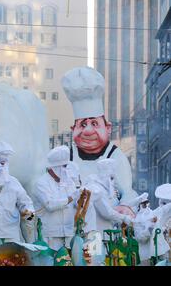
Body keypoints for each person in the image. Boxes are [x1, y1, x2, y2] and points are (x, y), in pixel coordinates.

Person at [61, 67, 138, 203]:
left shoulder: (115, 156)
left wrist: (125, 206)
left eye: (95, 123)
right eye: (82, 125)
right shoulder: (66, 156)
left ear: (108, 128)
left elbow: (128, 192)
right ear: (73, 129)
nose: (88, 131)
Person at [33, 145, 81, 251]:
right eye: (64, 167)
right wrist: (71, 198)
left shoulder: (69, 182)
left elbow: (75, 205)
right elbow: (50, 205)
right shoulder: (41, 183)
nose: (66, 170)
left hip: (68, 233)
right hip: (49, 235)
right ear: (55, 167)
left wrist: (81, 199)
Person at [84, 159, 133, 240]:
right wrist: (124, 218)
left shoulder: (102, 188)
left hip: (104, 234)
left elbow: (114, 207)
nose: (113, 182)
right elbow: (107, 212)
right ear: (107, 176)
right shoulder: (96, 189)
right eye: (112, 178)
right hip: (96, 235)